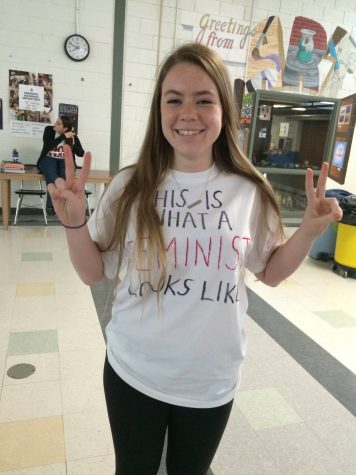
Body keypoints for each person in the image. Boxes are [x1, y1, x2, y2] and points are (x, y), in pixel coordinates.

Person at [48, 43, 342, 475]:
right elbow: (94, 272)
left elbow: (271, 271)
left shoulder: (249, 190)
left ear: (225, 110)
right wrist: (75, 224)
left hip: (210, 381)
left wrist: (309, 231)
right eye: (175, 100)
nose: (189, 113)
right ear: (159, 110)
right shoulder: (130, 185)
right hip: (134, 372)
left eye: (204, 100)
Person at [37, 115, 84, 209]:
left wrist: (73, 145)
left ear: (65, 128)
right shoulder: (49, 130)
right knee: (52, 173)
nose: (55, 124)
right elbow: (48, 146)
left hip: (64, 160)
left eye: (58, 124)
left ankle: (62, 204)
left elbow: (81, 153)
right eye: (56, 122)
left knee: (64, 173)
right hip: (48, 159)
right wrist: (63, 136)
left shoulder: (72, 136)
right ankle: (53, 206)